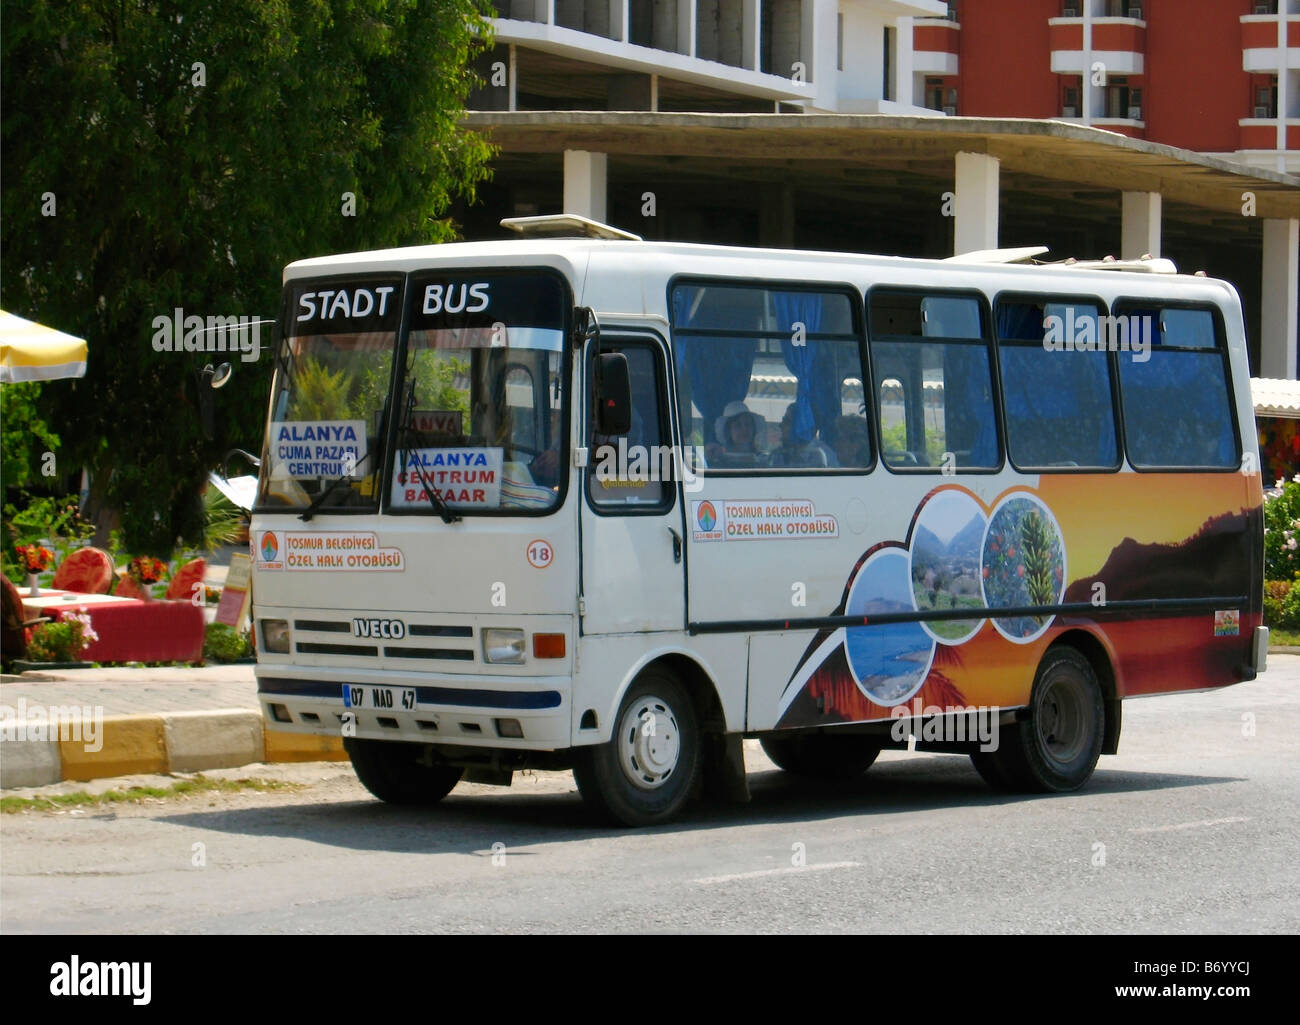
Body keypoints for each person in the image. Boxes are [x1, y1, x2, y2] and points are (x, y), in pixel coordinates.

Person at [706, 401, 765, 467]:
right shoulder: (718, 461)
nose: (744, 429)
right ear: (728, 431)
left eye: (748, 424)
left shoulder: (762, 459)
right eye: (738, 425)